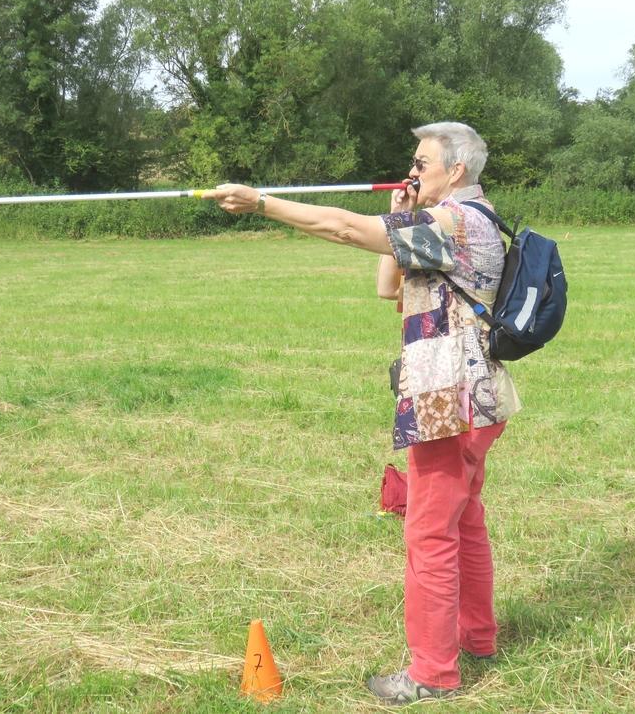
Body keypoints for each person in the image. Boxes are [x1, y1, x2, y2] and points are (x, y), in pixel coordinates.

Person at [204, 121, 520, 705]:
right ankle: (477, 638)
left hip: (448, 402)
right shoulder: (456, 221)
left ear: (455, 171)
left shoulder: (454, 223)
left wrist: (262, 203)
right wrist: (403, 212)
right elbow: (386, 287)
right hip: (474, 398)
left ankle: (432, 673)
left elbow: (347, 229)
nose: (412, 171)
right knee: (464, 522)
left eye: (422, 164)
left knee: (429, 534)